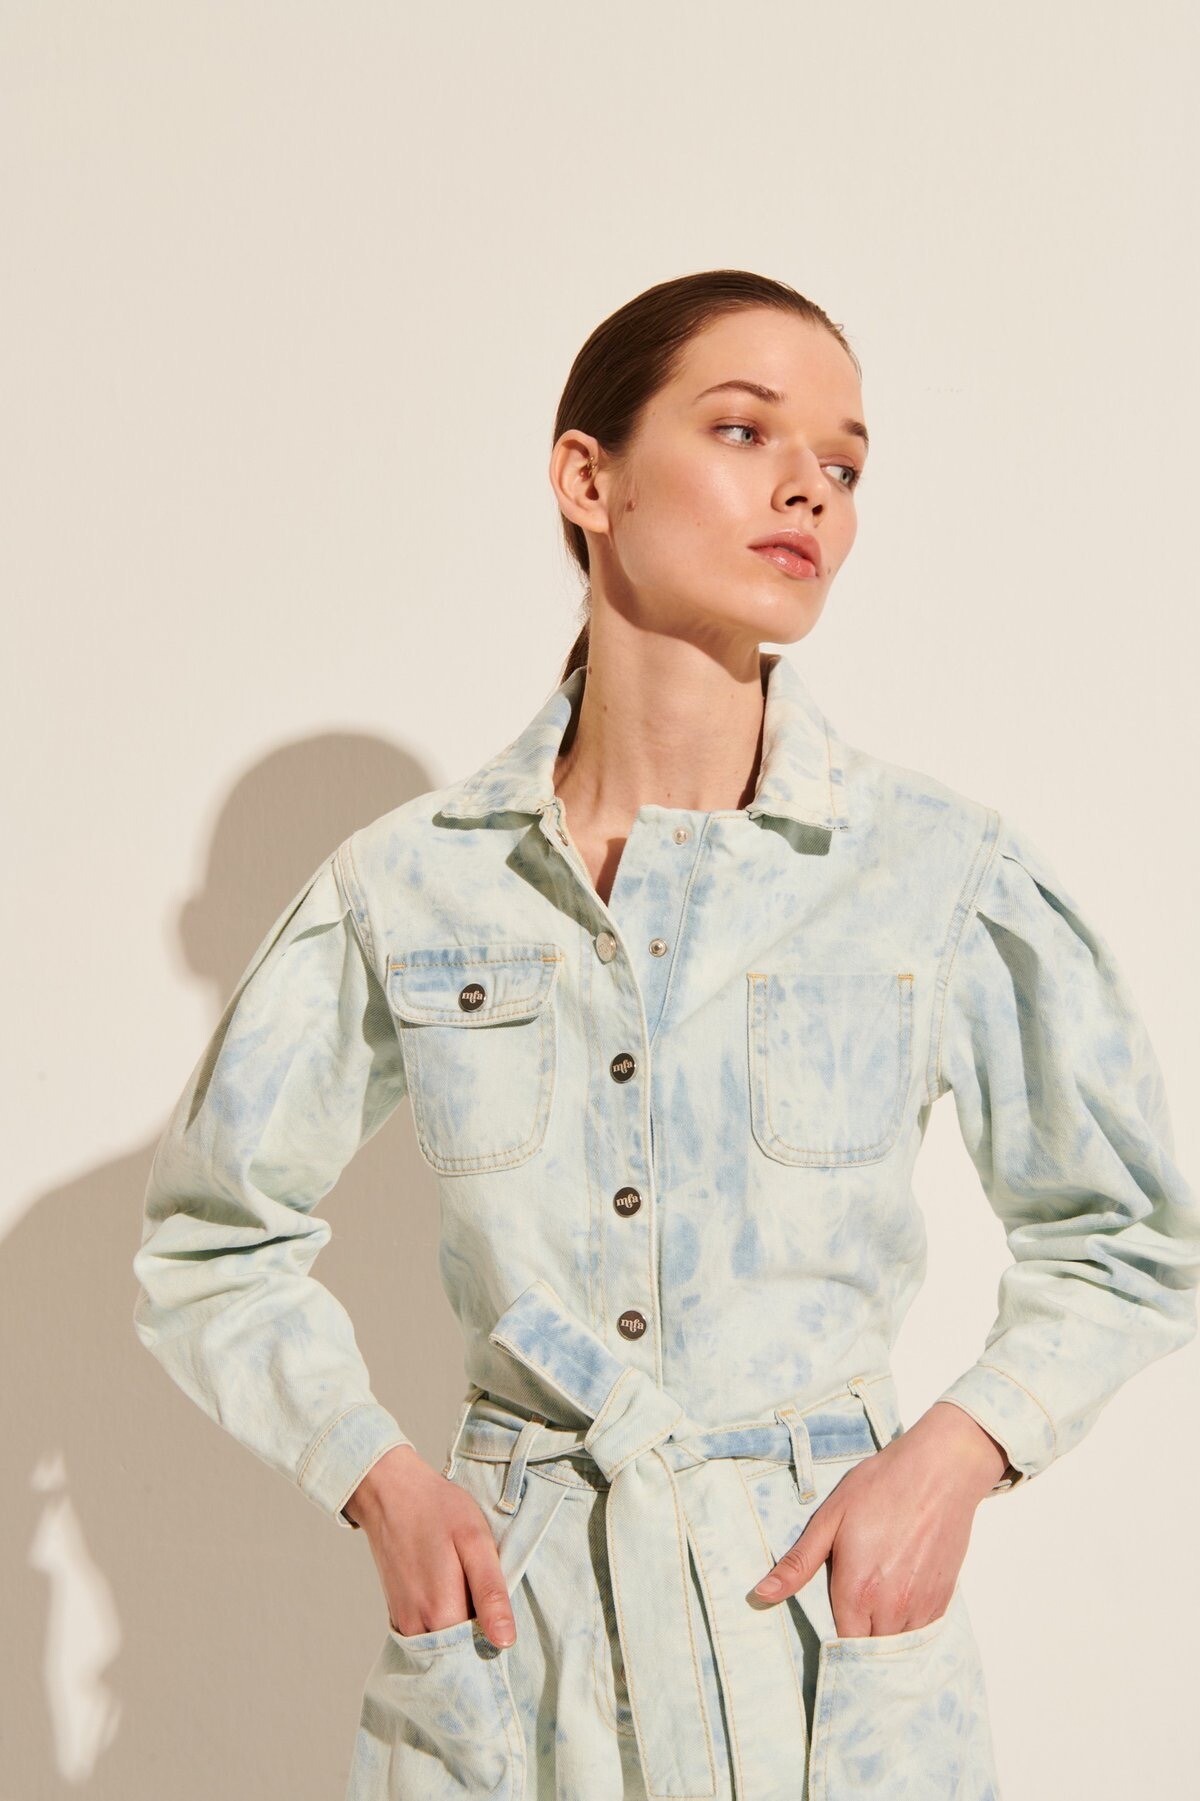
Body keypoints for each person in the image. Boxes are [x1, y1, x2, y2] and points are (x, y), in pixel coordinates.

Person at [131, 270, 1200, 1801]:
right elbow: (211, 1238)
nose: (809, 490)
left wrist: (956, 1456)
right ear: (590, 480)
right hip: (521, 1633)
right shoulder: (414, 884)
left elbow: (1129, 1233)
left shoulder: (932, 873)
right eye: (744, 429)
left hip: (817, 1624)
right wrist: (378, 1477)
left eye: (844, 464)